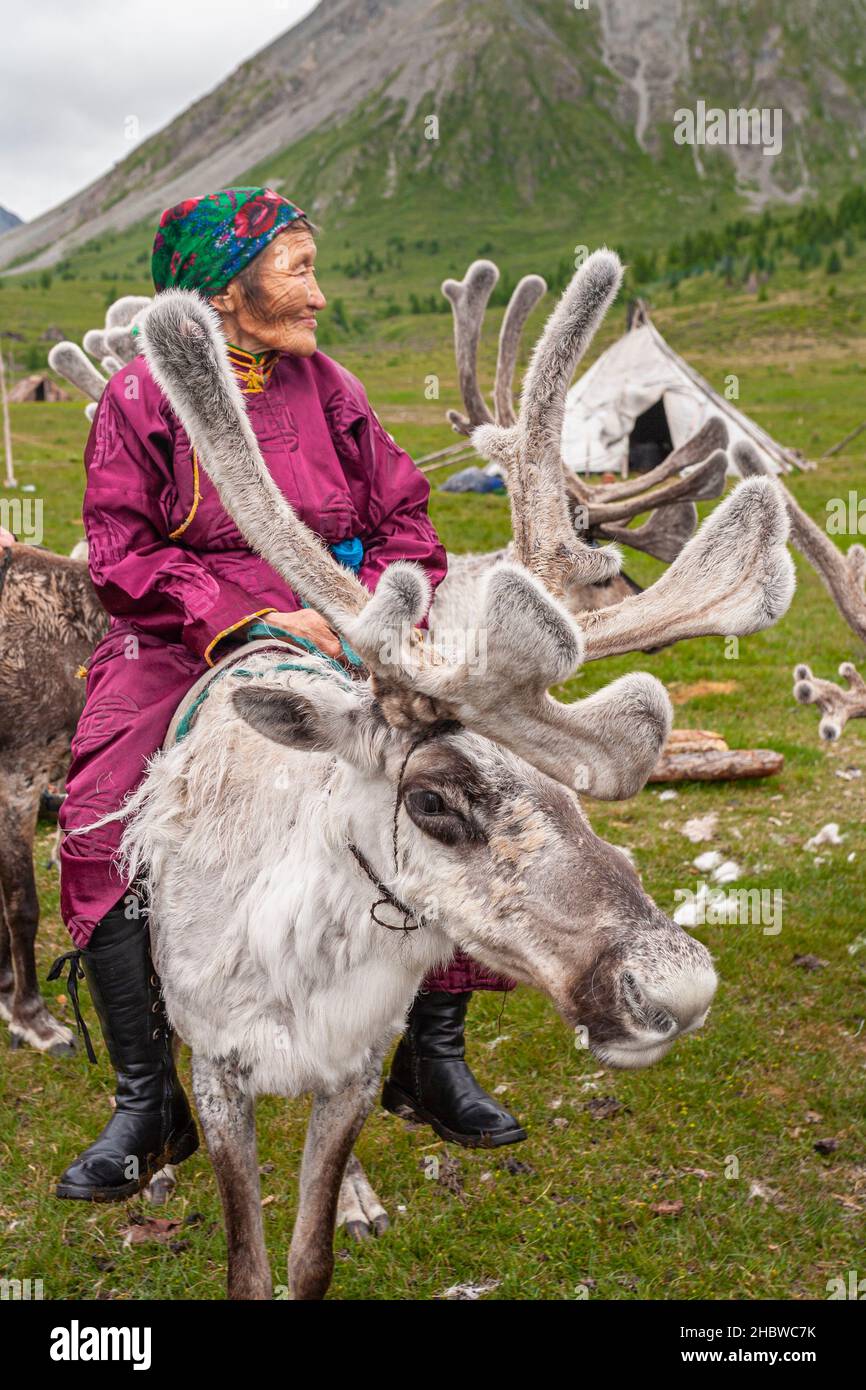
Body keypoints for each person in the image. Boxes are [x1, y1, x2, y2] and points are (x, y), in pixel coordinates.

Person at [55, 187, 524, 1203]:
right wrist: (241, 616)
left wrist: (380, 610)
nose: (318, 292)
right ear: (228, 291)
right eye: (298, 267)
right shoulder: (140, 397)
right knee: (96, 824)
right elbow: (119, 552)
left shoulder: (330, 387)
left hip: (342, 630)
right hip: (181, 639)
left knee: (448, 782)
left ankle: (427, 1053)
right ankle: (150, 1101)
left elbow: (403, 510)